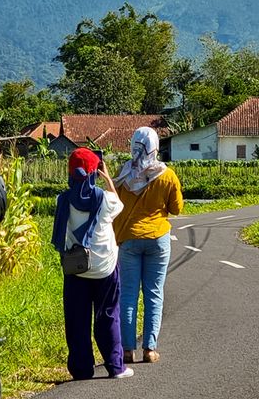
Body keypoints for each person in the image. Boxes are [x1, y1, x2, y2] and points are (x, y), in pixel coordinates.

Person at [52, 147, 133, 380]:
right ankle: (115, 366)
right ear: (93, 173)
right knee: (108, 315)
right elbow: (119, 204)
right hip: (104, 268)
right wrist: (107, 177)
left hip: (75, 268)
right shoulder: (105, 199)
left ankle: (81, 370)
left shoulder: (62, 200)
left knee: (77, 319)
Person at [114, 126, 184, 364]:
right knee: (154, 294)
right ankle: (150, 349)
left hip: (129, 240)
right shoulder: (167, 175)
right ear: (155, 147)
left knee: (128, 295)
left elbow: (114, 207)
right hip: (158, 240)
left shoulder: (123, 175)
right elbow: (176, 208)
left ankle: (126, 351)